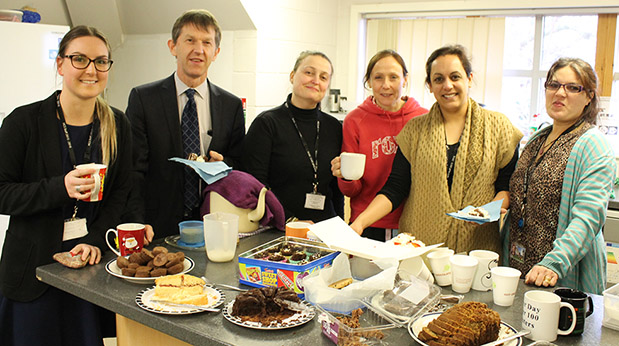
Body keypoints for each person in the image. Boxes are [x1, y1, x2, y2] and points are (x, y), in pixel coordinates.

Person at [0, 25, 132, 345]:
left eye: (101, 61)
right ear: (60, 65)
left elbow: (120, 196)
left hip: (86, 272)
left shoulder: (118, 124)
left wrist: (96, 242)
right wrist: (61, 187)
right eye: (79, 59)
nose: (91, 69)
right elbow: (2, 193)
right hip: (32, 275)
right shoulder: (23, 122)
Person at [349, 45, 522, 254]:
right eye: (439, 79)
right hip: (421, 248)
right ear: (429, 85)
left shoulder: (499, 127)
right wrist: (360, 223)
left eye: (455, 77)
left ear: (469, 79)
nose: (447, 85)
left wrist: (488, 211)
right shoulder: (414, 131)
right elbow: (395, 188)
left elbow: (507, 186)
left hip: (478, 248)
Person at [125, 9, 246, 239]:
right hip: (157, 226)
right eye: (189, 40)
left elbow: (240, 164)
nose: (198, 50)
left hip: (213, 224)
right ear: (173, 46)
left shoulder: (231, 106)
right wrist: (136, 221)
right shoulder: (143, 99)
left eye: (206, 43)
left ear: (216, 52)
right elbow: (133, 169)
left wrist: (222, 165)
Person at [508, 58, 615, 294]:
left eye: (573, 87)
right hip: (520, 268)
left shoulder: (594, 145)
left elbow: (588, 218)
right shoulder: (537, 139)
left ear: (589, 97)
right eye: (554, 85)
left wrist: (553, 263)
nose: (560, 93)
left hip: (558, 277)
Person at [330, 50, 428, 241]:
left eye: (393, 77)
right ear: (368, 82)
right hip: (366, 223)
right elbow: (351, 191)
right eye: (378, 78)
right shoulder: (355, 120)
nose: (386, 85)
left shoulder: (423, 118)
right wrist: (345, 176)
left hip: (411, 223)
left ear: (405, 80)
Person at [242, 51, 343, 222]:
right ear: (292, 76)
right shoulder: (267, 124)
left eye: (323, 77)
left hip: (325, 229)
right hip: (279, 228)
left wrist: (341, 226)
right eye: (309, 72)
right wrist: (290, 221)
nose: (315, 81)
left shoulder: (334, 127)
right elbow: (255, 185)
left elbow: (337, 188)